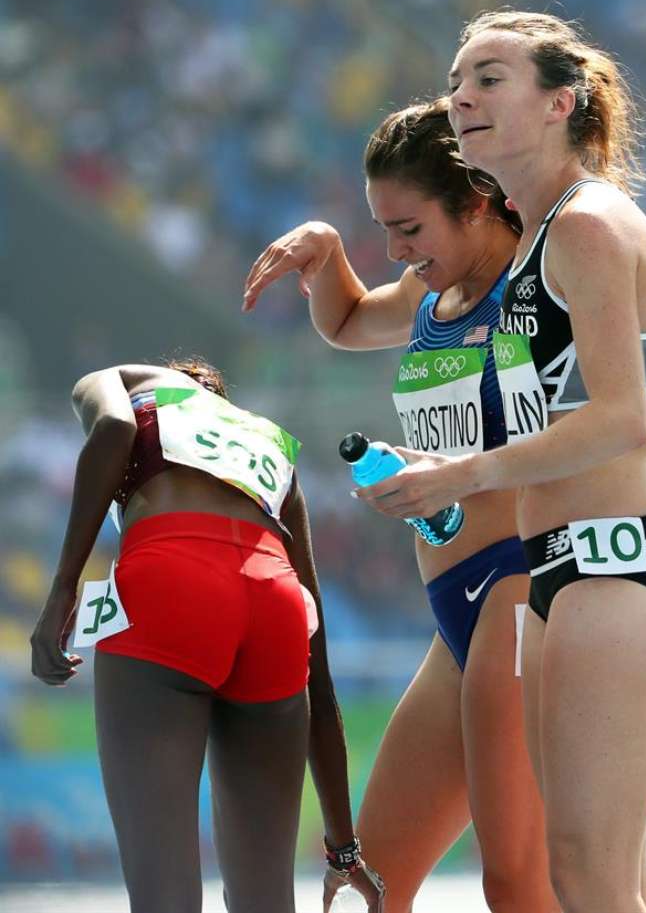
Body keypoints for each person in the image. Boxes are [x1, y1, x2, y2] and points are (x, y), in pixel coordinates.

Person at [243, 96, 646, 912]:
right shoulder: (427, 293)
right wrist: (325, 250)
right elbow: (348, 319)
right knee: (366, 886)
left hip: (520, 587)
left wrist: (595, 199)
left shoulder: (545, 267)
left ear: (476, 200)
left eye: (410, 229)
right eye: (383, 230)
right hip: (454, 617)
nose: (397, 250)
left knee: (522, 884)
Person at [30, 358, 384, 913]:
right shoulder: (269, 443)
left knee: (164, 898)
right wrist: (344, 849)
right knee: (266, 901)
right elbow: (319, 681)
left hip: (172, 580)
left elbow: (114, 428)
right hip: (275, 599)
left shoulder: (130, 380)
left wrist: (62, 589)